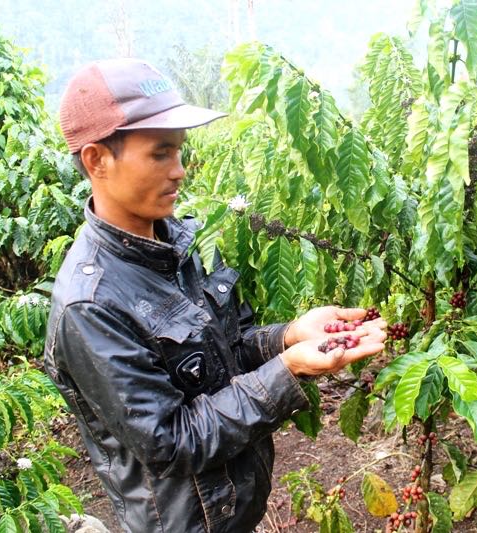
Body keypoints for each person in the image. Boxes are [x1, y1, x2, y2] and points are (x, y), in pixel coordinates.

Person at [43, 58, 387, 533]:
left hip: (233, 507)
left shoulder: (183, 244)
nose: (180, 171)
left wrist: (287, 337)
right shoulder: (91, 306)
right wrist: (290, 370)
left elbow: (227, 350)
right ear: (97, 160)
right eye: (160, 154)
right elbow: (172, 441)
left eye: (180, 152)